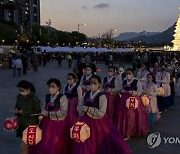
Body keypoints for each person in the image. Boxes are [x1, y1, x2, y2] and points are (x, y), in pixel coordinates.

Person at [72, 75, 132, 154]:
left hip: (97, 121)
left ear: (99, 84)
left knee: (97, 139)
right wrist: (82, 109)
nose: (92, 85)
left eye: (95, 83)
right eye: (91, 83)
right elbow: (79, 105)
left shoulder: (102, 96)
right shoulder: (86, 94)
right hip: (84, 120)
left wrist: (89, 109)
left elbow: (102, 112)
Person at [29, 78, 69, 154]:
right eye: (49, 86)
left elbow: (63, 112)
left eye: (53, 86)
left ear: (58, 87)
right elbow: (43, 107)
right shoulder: (46, 97)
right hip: (46, 123)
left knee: (55, 142)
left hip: (58, 123)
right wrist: (42, 113)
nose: (51, 88)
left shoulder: (62, 97)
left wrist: (48, 114)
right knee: (44, 140)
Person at [115, 69, 149, 140]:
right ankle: (125, 131)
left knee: (132, 116)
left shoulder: (137, 81)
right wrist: (122, 91)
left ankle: (131, 131)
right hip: (124, 100)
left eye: (129, 73)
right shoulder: (124, 81)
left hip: (134, 100)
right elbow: (121, 89)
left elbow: (139, 92)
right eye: (127, 73)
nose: (128, 75)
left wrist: (134, 93)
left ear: (133, 74)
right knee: (124, 115)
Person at [15, 80, 41, 154]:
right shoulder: (19, 97)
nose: (21, 92)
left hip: (31, 125)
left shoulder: (34, 99)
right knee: (27, 147)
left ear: (28, 89)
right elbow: (17, 106)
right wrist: (16, 109)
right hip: (21, 124)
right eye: (20, 90)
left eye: (22, 90)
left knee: (23, 147)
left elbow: (38, 113)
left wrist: (23, 112)